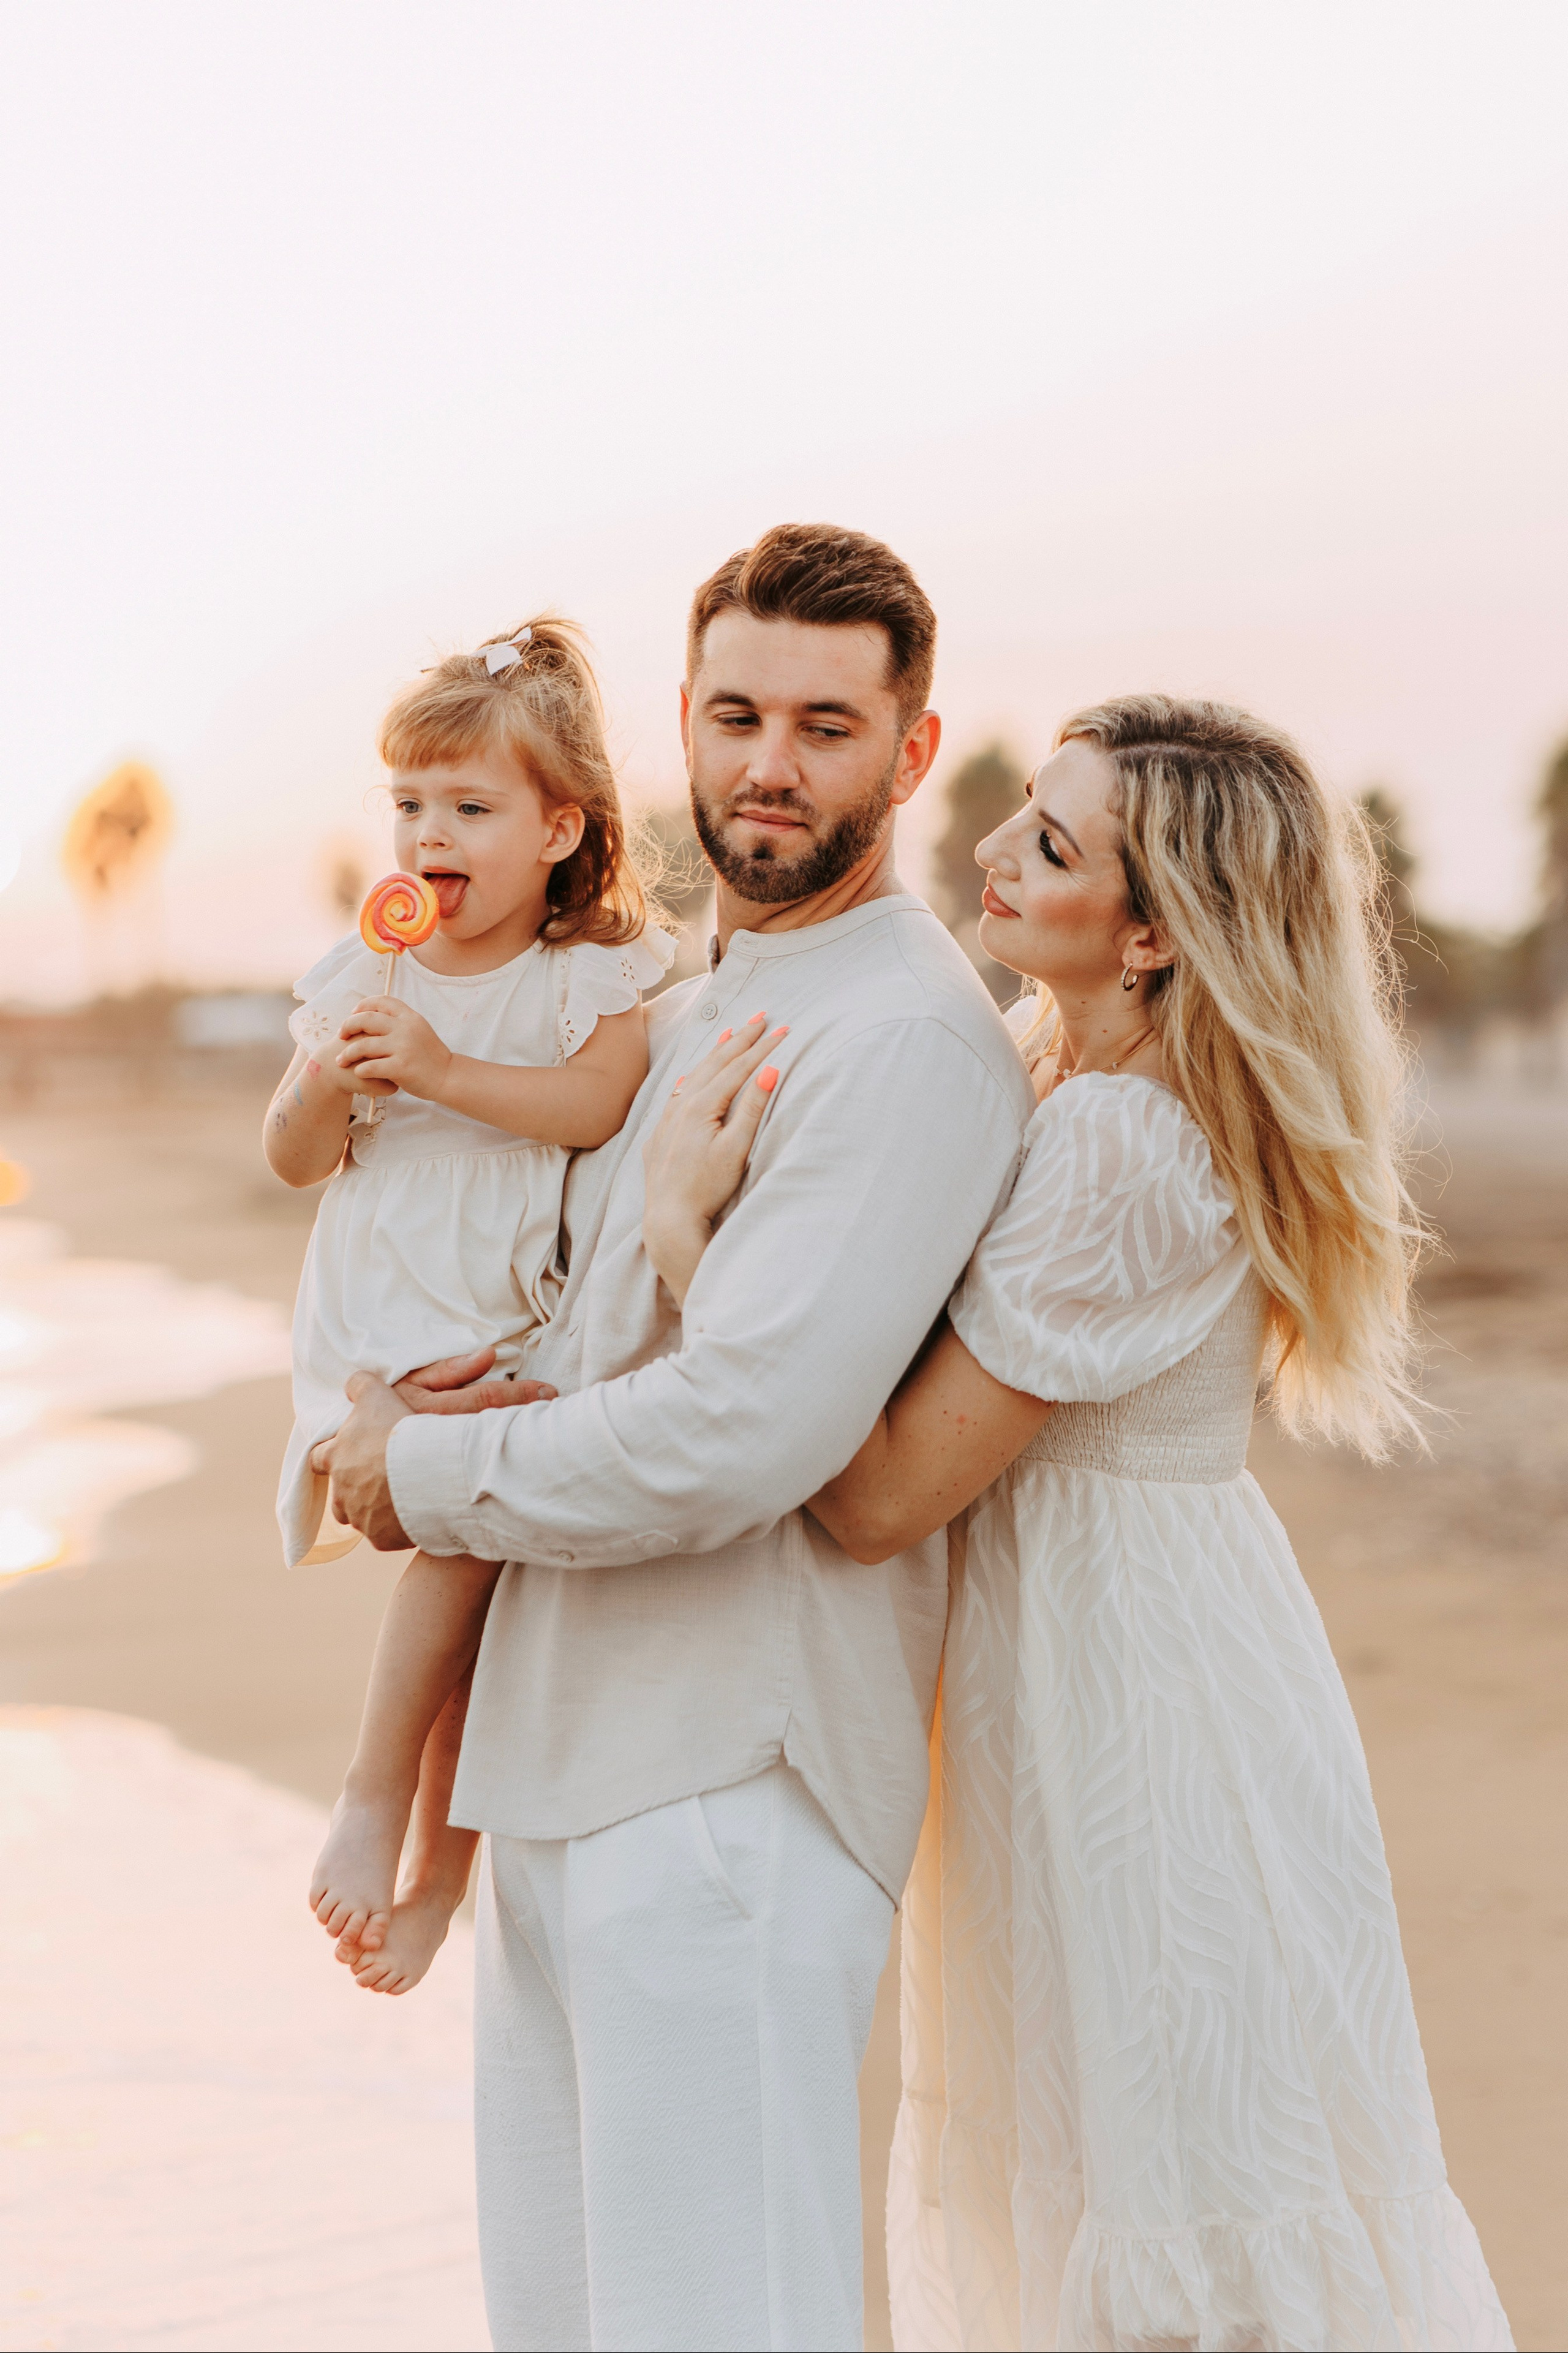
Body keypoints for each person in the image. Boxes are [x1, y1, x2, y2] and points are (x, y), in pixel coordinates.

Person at [647, 696, 1512, 2351]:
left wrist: (696, 1256)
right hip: (1150, 1645)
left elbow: (891, 1493)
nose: (990, 846)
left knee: (1153, 2169)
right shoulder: (1076, 1076)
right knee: (1159, 2156)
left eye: (1050, 842)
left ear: (1157, 934)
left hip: (1122, 1695)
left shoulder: (1122, 1140)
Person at [314, 523, 1037, 2353]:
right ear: (686, 726)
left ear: (911, 748)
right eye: (734, 715)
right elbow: (572, 1323)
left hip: (727, 1793)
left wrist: (421, 1473)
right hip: (553, 1774)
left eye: (824, 723)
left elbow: (743, 1434)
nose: (770, 765)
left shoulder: (901, 1039)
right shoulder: (682, 1007)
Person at [265, 616, 673, 1991]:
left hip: (504, 1319)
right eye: (409, 805)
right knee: (462, 1551)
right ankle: (382, 1799)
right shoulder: (364, 976)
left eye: (470, 806)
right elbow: (289, 1159)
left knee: (480, 1580)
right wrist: (331, 1077)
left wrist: (439, 1070)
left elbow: (594, 1103)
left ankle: (428, 1860)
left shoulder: (581, 979)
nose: (429, 835)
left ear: (560, 829)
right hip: (385, 1323)